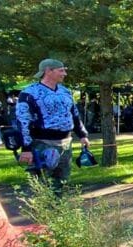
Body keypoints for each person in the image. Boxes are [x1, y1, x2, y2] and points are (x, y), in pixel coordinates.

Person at [16, 58, 90, 193]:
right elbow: (23, 121)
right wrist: (26, 148)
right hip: (42, 143)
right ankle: (42, 206)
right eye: (61, 71)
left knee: (62, 181)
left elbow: (74, 114)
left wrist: (82, 134)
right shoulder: (29, 93)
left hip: (65, 143)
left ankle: (59, 205)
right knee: (41, 183)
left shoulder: (65, 92)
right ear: (48, 71)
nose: (64, 74)